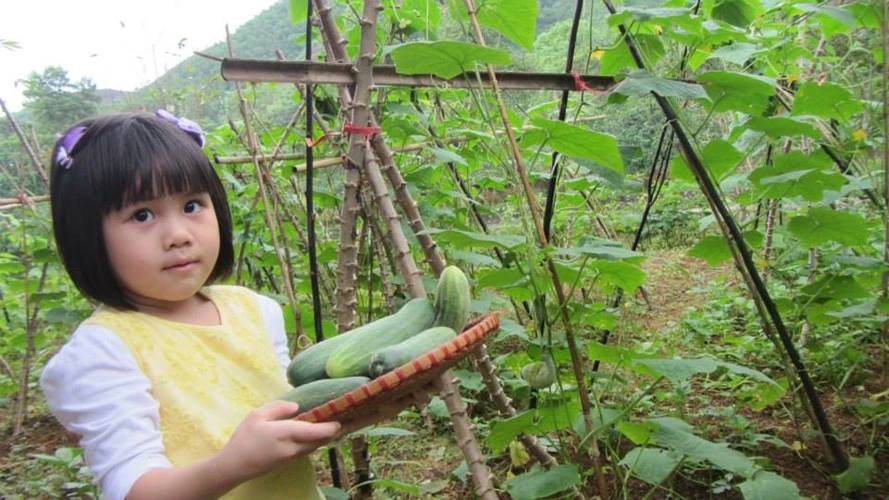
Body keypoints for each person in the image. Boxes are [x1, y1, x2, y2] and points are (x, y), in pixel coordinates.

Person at [40, 111, 382, 500]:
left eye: (191, 206)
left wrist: (359, 406)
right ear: (88, 238)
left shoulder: (254, 311)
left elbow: (291, 416)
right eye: (142, 214)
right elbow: (132, 488)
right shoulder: (102, 352)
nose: (178, 235)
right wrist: (232, 466)